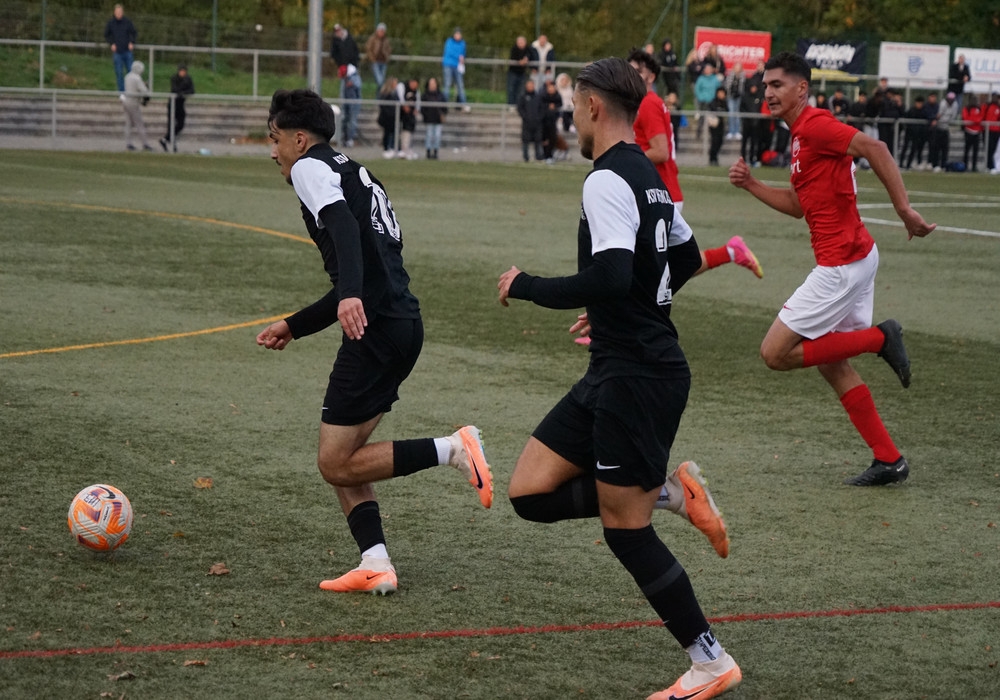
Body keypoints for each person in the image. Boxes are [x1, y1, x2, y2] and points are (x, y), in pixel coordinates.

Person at [497, 57, 742, 700]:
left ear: (593, 107)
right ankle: (670, 493)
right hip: (616, 366)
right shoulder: (650, 178)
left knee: (625, 532)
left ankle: (711, 662)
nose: (572, 118)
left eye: (574, 106)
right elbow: (684, 259)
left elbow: (609, 275)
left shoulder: (606, 178)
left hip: (639, 374)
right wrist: (621, 307)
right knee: (528, 492)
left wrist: (527, 285)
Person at [258, 89, 493, 595]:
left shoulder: (310, 167)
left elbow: (344, 232)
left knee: (334, 462)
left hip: (379, 328)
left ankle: (453, 449)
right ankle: (376, 563)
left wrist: (348, 296)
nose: (272, 151)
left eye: (275, 139)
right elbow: (364, 269)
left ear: (300, 139)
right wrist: (296, 325)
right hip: (399, 322)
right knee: (345, 455)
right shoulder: (356, 173)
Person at [728, 51, 936, 486]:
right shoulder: (799, 136)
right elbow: (797, 206)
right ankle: (889, 460)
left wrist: (904, 210)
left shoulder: (816, 126)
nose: (768, 93)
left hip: (842, 264)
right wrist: (751, 184)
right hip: (855, 257)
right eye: (765, 86)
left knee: (774, 353)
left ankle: (881, 338)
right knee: (831, 360)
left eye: (777, 85)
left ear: (802, 88)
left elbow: (875, 147)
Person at [330, 24, 362, 148]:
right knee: (345, 115)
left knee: (352, 117)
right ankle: (345, 137)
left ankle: (349, 138)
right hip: (348, 100)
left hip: (353, 101)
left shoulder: (354, 77)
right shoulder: (336, 42)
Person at [160, 63, 194, 153]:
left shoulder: (188, 79)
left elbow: (192, 90)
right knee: (171, 125)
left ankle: (165, 139)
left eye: (184, 71)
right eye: (181, 71)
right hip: (173, 104)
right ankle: (172, 145)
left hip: (180, 104)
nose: (183, 73)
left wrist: (184, 92)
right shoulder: (174, 78)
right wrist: (182, 90)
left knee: (180, 124)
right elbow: (175, 89)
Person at [104, 4, 136, 94]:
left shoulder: (128, 22)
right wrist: (111, 43)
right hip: (117, 52)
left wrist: (131, 42)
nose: (118, 13)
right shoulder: (111, 23)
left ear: (123, 12)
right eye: (117, 12)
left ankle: (131, 92)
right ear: (114, 12)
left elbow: (133, 33)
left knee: (131, 73)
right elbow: (106, 34)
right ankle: (122, 93)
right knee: (119, 73)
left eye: (120, 12)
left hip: (127, 51)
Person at [122, 60, 152, 151]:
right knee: (139, 123)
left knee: (128, 123)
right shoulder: (137, 78)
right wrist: (146, 87)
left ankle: (128, 143)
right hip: (133, 102)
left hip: (126, 101)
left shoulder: (127, 76)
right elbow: (144, 91)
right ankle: (145, 143)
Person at [930, 91, 960, 172]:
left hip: (946, 128)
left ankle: (943, 165)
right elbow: (939, 114)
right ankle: (935, 165)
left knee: (945, 149)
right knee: (936, 148)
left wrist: (949, 123)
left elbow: (953, 116)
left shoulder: (955, 105)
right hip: (939, 127)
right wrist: (937, 120)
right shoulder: (943, 103)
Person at [518, 79, 544, 162]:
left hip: (537, 123)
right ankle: (526, 157)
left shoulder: (538, 97)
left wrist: (539, 117)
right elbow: (520, 108)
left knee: (538, 140)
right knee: (525, 140)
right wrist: (525, 117)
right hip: (527, 123)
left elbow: (542, 109)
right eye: (529, 85)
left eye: (532, 85)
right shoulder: (523, 97)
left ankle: (538, 157)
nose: (530, 87)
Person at [901, 95, 929, 171]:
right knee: (905, 148)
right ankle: (901, 164)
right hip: (909, 132)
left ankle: (908, 165)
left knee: (913, 150)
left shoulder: (924, 111)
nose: (919, 105)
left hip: (918, 134)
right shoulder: (911, 110)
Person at [422, 77, 447, 160]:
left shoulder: (440, 95)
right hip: (429, 118)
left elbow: (445, 107)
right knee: (429, 135)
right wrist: (425, 115)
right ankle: (428, 151)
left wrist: (443, 114)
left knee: (437, 136)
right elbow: (423, 108)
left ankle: (435, 151)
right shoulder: (425, 95)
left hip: (438, 119)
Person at [694, 64, 722, 139]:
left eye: (709, 69)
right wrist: (700, 97)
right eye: (706, 69)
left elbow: (719, 89)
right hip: (703, 100)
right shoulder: (701, 79)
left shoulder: (715, 79)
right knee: (702, 117)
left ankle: (712, 133)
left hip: (713, 101)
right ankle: (699, 132)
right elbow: (697, 89)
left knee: (713, 117)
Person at [441, 28, 468, 107]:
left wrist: (462, 57)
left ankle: (464, 104)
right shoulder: (449, 41)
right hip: (448, 65)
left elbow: (463, 53)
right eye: (457, 34)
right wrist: (459, 57)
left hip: (458, 66)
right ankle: (444, 104)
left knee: (460, 85)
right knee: (447, 84)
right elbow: (449, 52)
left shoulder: (462, 43)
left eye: (459, 34)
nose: (458, 36)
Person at [376, 77, 400, 158]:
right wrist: (390, 113)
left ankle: (393, 148)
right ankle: (386, 148)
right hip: (387, 117)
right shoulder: (385, 93)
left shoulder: (395, 93)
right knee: (387, 133)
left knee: (394, 133)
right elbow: (383, 105)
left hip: (394, 117)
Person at [364, 22, 391, 90]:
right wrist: (372, 58)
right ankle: (381, 95)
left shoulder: (386, 40)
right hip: (375, 62)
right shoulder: (372, 39)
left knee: (381, 81)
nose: (381, 32)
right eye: (380, 30)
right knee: (380, 81)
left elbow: (389, 49)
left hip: (383, 62)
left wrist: (387, 57)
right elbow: (368, 48)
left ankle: (379, 96)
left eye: (383, 31)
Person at [540, 79, 562, 163]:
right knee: (544, 139)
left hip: (553, 122)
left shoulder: (557, 96)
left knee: (553, 139)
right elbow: (540, 105)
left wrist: (554, 106)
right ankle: (545, 155)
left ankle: (550, 155)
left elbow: (560, 105)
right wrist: (547, 106)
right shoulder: (543, 96)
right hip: (544, 121)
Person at [398, 77, 420, 160]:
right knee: (404, 132)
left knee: (409, 132)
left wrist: (417, 109)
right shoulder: (402, 86)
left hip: (410, 116)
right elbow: (400, 97)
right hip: (402, 115)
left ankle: (407, 149)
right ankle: (403, 149)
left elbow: (418, 101)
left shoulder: (416, 91)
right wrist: (404, 105)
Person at [962, 94, 984, 172]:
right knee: (967, 150)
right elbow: (966, 118)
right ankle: (965, 166)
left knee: (975, 151)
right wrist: (975, 120)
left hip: (976, 132)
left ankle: (974, 167)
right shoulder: (966, 108)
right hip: (968, 131)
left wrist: (974, 120)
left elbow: (981, 117)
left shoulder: (979, 108)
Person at [723, 63, 745, 140]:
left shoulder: (743, 77)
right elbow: (726, 85)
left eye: (739, 67)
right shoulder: (730, 76)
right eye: (736, 67)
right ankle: (731, 131)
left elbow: (743, 88)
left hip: (739, 97)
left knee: (737, 114)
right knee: (731, 113)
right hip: (731, 97)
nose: (737, 69)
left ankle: (737, 131)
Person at [506, 35, 530, 106]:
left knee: (521, 90)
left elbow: (530, 55)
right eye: (519, 42)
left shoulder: (528, 49)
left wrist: (526, 59)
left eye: (522, 42)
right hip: (513, 72)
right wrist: (520, 61)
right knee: (511, 89)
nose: (521, 44)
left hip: (522, 73)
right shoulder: (514, 49)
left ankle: (519, 105)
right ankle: (511, 105)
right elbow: (513, 58)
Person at [707, 87, 727, 166]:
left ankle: (715, 156)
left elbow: (727, 110)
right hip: (714, 124)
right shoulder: (713, 102)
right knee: (714, 141)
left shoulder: (724, 102)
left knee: (720, 141)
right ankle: (712, 158)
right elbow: (713, 110)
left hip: (721, 124)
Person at [984, 93, 1000, 173]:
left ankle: (994, 165)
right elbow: (983, 116)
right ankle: (989, 165)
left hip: (996, 130)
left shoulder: (998, 107)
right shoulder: (987, 106)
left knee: (994, 149)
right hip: (988, 130)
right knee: (989, 149)